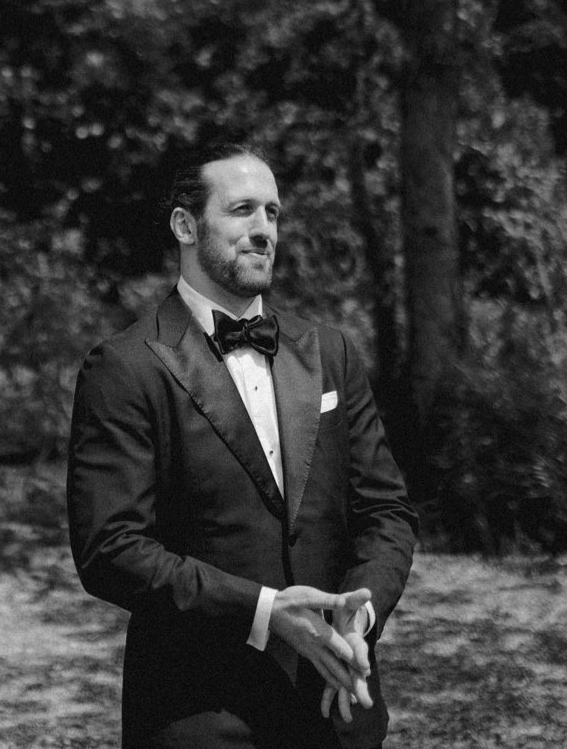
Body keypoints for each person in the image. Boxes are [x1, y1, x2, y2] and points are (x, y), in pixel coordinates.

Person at [67, 142, 418, 749]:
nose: (263, 230)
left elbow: (386, 513)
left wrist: (356, 619)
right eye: (242, 210)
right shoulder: (124, 367)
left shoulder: (330, 352)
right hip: (199, 710)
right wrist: (264, 611)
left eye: (273, 213)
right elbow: (110, 549)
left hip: (337, 701)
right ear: (185, 225)